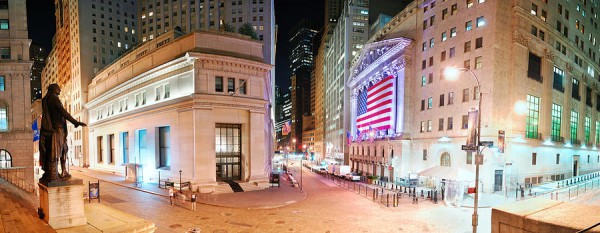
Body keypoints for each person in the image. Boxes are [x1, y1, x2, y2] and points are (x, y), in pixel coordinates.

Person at [39, 84, 86, 182]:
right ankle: (58, 172)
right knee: (61, 150)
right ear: (54, 89)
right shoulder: (54, 98)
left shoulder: (47, 99)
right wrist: (75, 122)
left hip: (54, 130)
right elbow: (63, 112)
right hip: (58, 130)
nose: (60, 89)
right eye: (58, 88)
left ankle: (61, 171)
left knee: (62, 149)